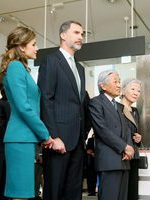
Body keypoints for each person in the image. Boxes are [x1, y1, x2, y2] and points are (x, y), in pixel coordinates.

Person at [0, 26, 53, 200]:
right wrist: (45, 134)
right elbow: (23, 107)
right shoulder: (16, 67)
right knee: (21, 194)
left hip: (25, 138)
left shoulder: (20, 68)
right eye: (34, 44)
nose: (37, 48)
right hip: (20, 138)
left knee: (24, 193)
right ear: (22, 46)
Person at [37, 20, 89, 200]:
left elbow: (79, 104)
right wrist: (52, 136)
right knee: (55, 190)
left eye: (82, 34)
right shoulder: (51, 61)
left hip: (77, 141)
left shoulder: (80, 69)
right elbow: (45, 99)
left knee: (74, 191)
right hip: (58, 139)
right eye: (76, 32)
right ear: (63, 35)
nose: (81, 37)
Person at [89, 70, 134, 200]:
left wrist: (129, 147)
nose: (119, 85)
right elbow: (102, 130)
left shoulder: (119, 106)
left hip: (124, 160)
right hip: (109, 160)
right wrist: (124, 146)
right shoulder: (96, 103)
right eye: (115, 82)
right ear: (103, 86)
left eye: (119, 81)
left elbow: (126, 129)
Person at [121, 78, 142, 200]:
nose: (136, 93)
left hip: (134, 155)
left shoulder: (135, 111)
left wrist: (138, 137)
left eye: (138, 91)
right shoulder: (116, 107)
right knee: (122, 192)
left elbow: (134, 132)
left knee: (133, 190)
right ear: (123, 90)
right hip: (122, 153)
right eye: (132, 89)